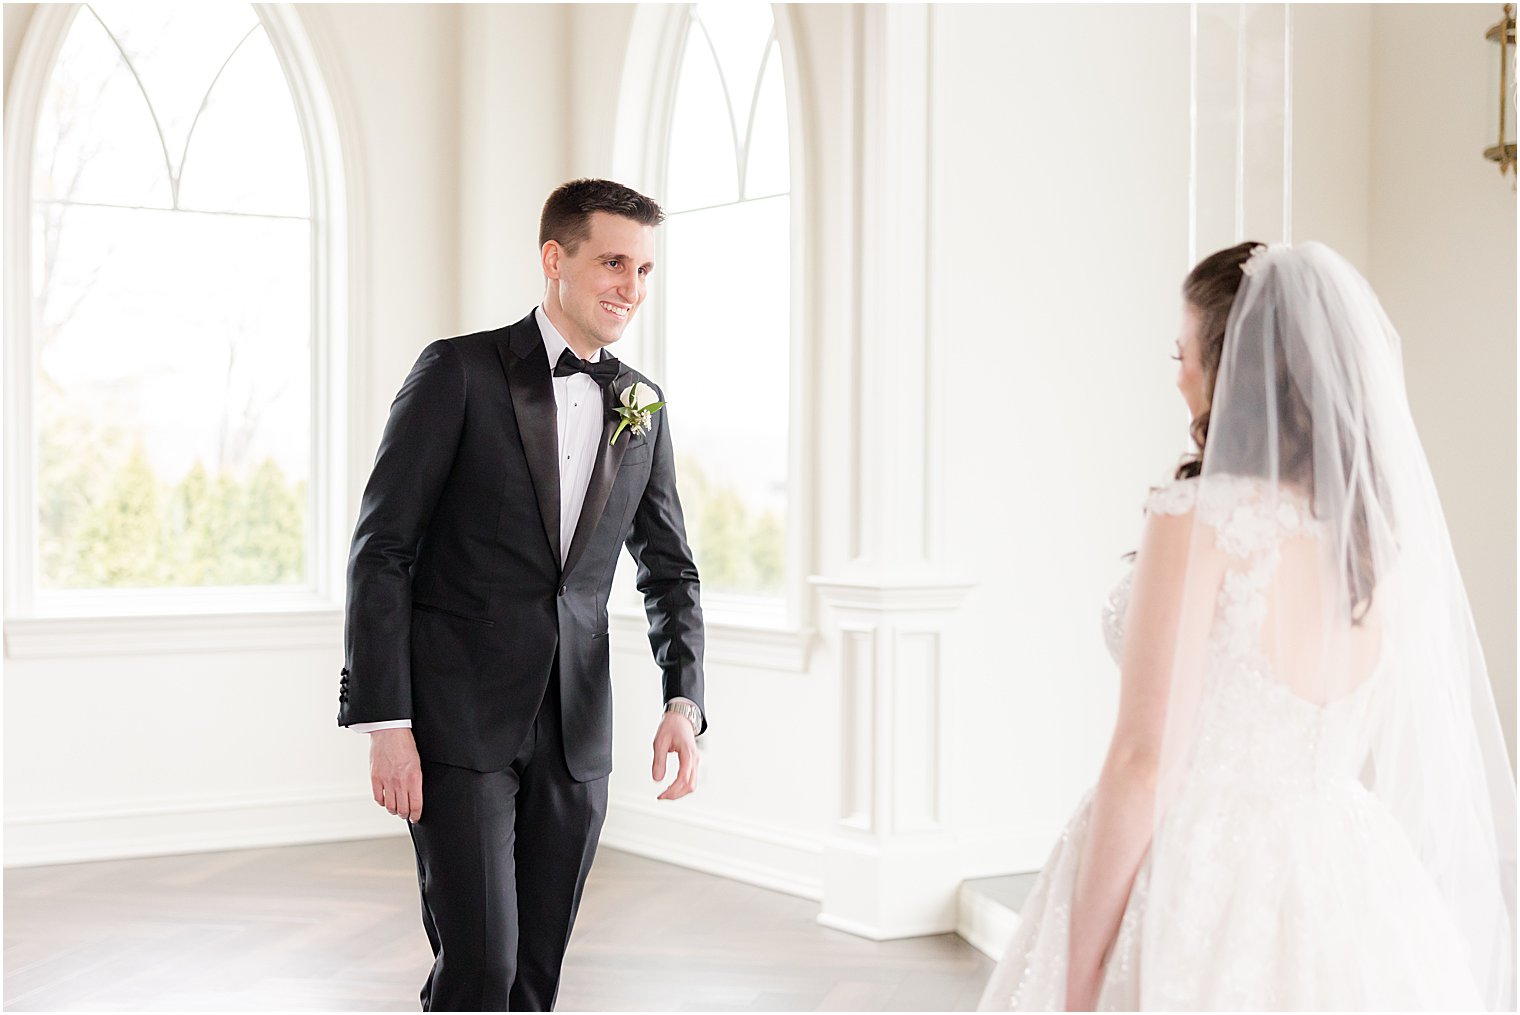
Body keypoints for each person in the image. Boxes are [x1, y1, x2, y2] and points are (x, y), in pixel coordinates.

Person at [979, 242, 1516, 1011]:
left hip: (1193, 866)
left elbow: (1142, 759)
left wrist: (1080, 968)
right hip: (1341, 876)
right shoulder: (1373, 539)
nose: (1177, 375)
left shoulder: (1199, 520)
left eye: (1184, 352)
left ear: (1230, 366)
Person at [338, 178, 707, 1012]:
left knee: (535, 979)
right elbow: (382, 550)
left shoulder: (642, 405)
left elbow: (670, 567)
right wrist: (386, 724)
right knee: (481, 969)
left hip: (576, 736)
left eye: (645, 269)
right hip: (458, 724)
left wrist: (685, 701)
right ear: (555, 260)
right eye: (614, 262)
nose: (631, 287)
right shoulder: (458, 371)